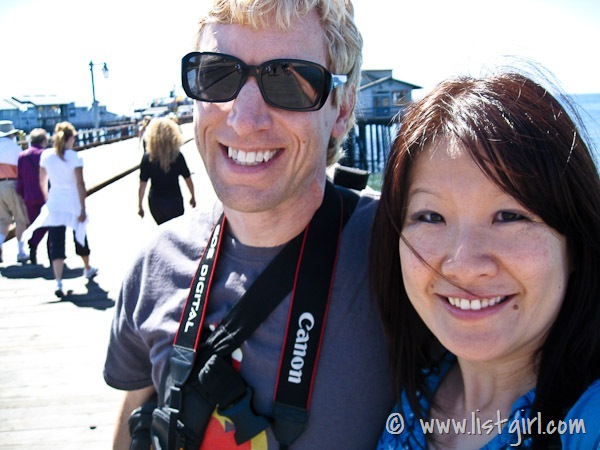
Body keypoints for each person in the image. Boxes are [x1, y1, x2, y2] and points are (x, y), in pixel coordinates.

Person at [103, 1, 392, 449]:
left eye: (289, 81)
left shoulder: (399, 254)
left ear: (341, 108)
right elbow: (135, 414)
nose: (244, 119)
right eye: (218, 75)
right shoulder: (155, 264)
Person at [371, 71, 600, 449]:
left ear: (574, 243)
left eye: (509, 216)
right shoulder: (413, 393)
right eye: (431, 216)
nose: (463, 265)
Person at [24, 122, 98, 297]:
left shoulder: (47, 155)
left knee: (56, 241)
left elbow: (42, 181)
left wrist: (47, 200)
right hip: (73, 203)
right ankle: (87, 268)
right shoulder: (74, 157)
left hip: (55, 203)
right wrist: (83, 208)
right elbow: (80, 184)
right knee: (80, 237)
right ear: (70, 138)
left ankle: (58, 282)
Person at [137, 117, 196, 225]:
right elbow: (187, 178)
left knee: (163, 228)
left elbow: (142, 185)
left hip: (156, 202)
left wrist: (140, 205)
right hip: (174, 200)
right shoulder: (177, 156)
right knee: (177, 229)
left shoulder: (147, 158)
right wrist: (192, 196)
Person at [16, 128, 50, 265]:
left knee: (36, 224)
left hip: (29, 197)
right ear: (43, 140)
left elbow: (20, 178)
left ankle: (34, 246)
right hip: (45, 196)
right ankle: (50, 254)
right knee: (50, 224)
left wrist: (21, 194)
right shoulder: (46, 154)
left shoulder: (22, 156)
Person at [0, 120, 30, 263]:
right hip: (12, 184)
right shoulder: (14, 148)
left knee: (3, 221)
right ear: (11, 134)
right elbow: (24, 169)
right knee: (20, 219)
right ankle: (21, 251)